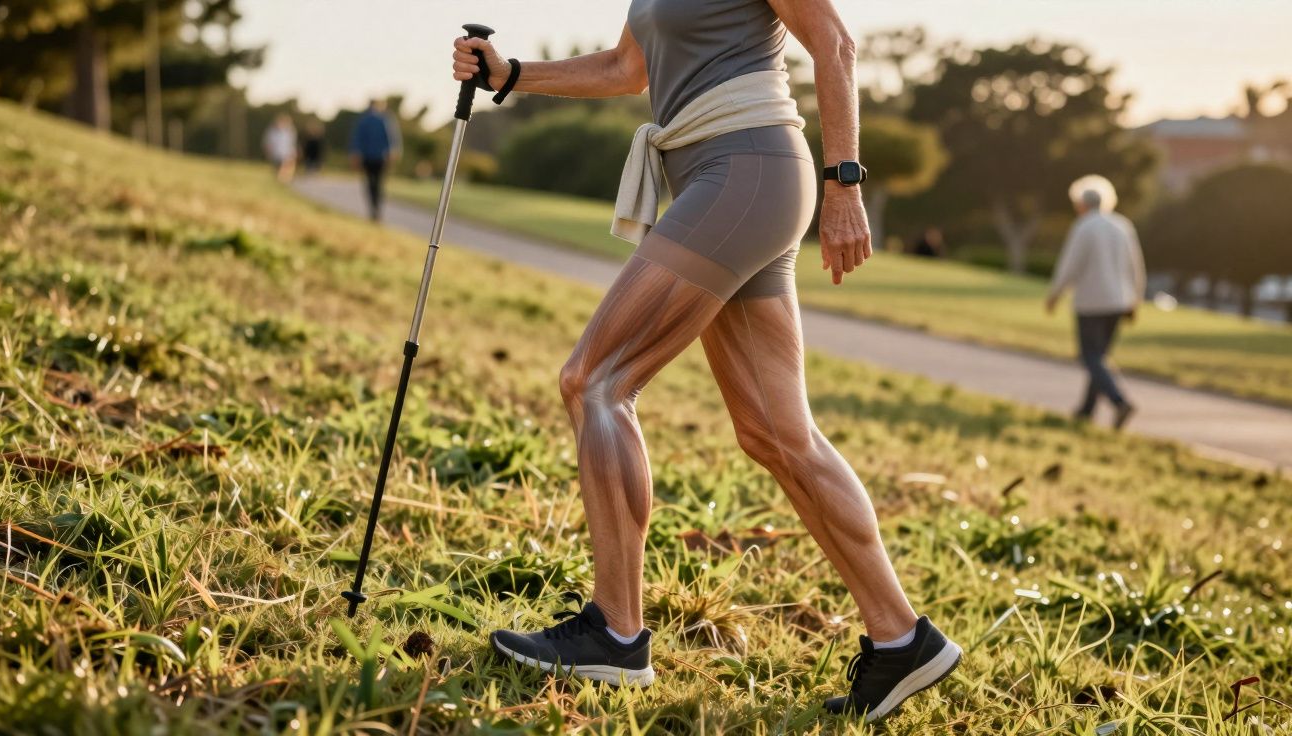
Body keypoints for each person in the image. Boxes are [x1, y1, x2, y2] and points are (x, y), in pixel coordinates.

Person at [452, 0, 961, 722]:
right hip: (716, 174)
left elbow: (834, 43)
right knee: (776, 434)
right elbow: (627, 69)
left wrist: (846, 183)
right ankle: (902, 638)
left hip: (746, 167)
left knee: (595, 381)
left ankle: (615, 633)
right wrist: (512, 75)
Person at [1046, 175, 1146, 429]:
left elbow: (1070, 265)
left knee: (1090, 356)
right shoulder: (1122, 226)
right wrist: (1135, 299)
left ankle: (1119, 401)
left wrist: (1055, 294)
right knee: (1099, 357)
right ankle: (1086, 411)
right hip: (1119, 301)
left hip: (1091, 302)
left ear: (1082, 203)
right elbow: (1136, 268)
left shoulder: (1084, 227)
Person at [349, 99, 402, 221]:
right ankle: (376, 208)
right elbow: (392, 139)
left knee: (372, 183)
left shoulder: (367, 120)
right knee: (377, 183)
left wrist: (355, 154)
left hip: (371, 157)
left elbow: (357, 140)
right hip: (377, 157)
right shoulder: (384, 119)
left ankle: (374, 207)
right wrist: (393, 152)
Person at [262, 114, 297, 183]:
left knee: (285, 167)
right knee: (276, 168)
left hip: (286, 153)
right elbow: (267, 143)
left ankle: (284, 180)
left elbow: (292, 143)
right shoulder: (272, 131)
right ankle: (278, 181)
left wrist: (293, 152)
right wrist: (268, 151)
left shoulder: (290, 131)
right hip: (276, 154)